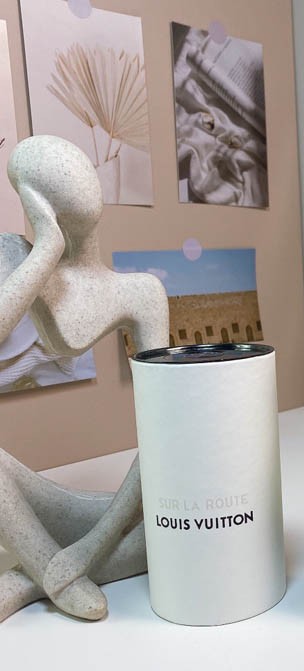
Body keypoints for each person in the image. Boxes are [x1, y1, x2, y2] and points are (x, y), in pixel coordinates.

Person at [0, 135, 168, 620]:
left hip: (121, 507)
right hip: (44, 505)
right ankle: (48, 571)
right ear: (32, 200)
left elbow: (162, 424)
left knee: (170, 527)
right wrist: (46, 248)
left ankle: (32, 578)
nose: (79, 181)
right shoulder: (16, 258)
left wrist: (90, 548)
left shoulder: (140, 292)